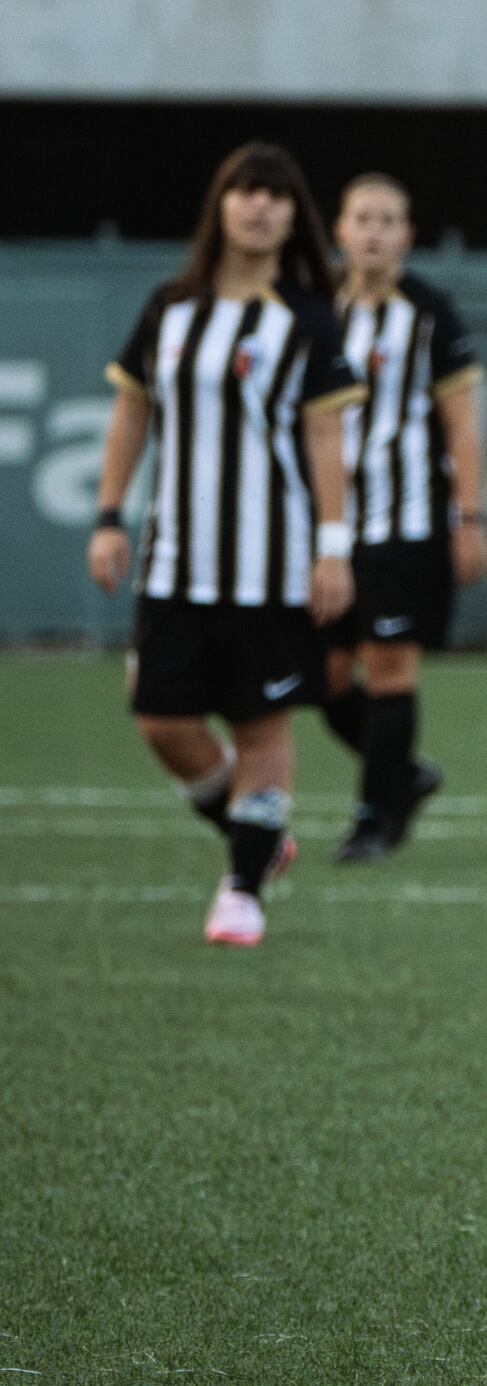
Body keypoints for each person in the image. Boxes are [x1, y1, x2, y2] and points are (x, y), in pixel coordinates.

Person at [87, 141, 366, 947]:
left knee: (261, 725)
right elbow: (132, 414)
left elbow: (324, 441)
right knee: (161, 722)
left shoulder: (308, 320)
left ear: (293, 217)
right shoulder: (169, 308)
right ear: (221, 204)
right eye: (245, 190)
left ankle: (242, 889)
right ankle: (255, 837)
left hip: (271, 566)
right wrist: (108, 518)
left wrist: (333, 547)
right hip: (174, 559)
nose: (259, 205)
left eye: (276, 195)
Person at [320, 172, 487, 861]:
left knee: (389, 670)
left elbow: (462, 428)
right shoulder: (314, 307)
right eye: (362, 218)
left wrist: (469, 519)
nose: (374, 232)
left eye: (388, 220)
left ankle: (373, 818)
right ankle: (406, 774)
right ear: (340, 230)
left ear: (407, 236)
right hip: (326, 529)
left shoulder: (428, 313)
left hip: (406, 523)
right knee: (321, 676)